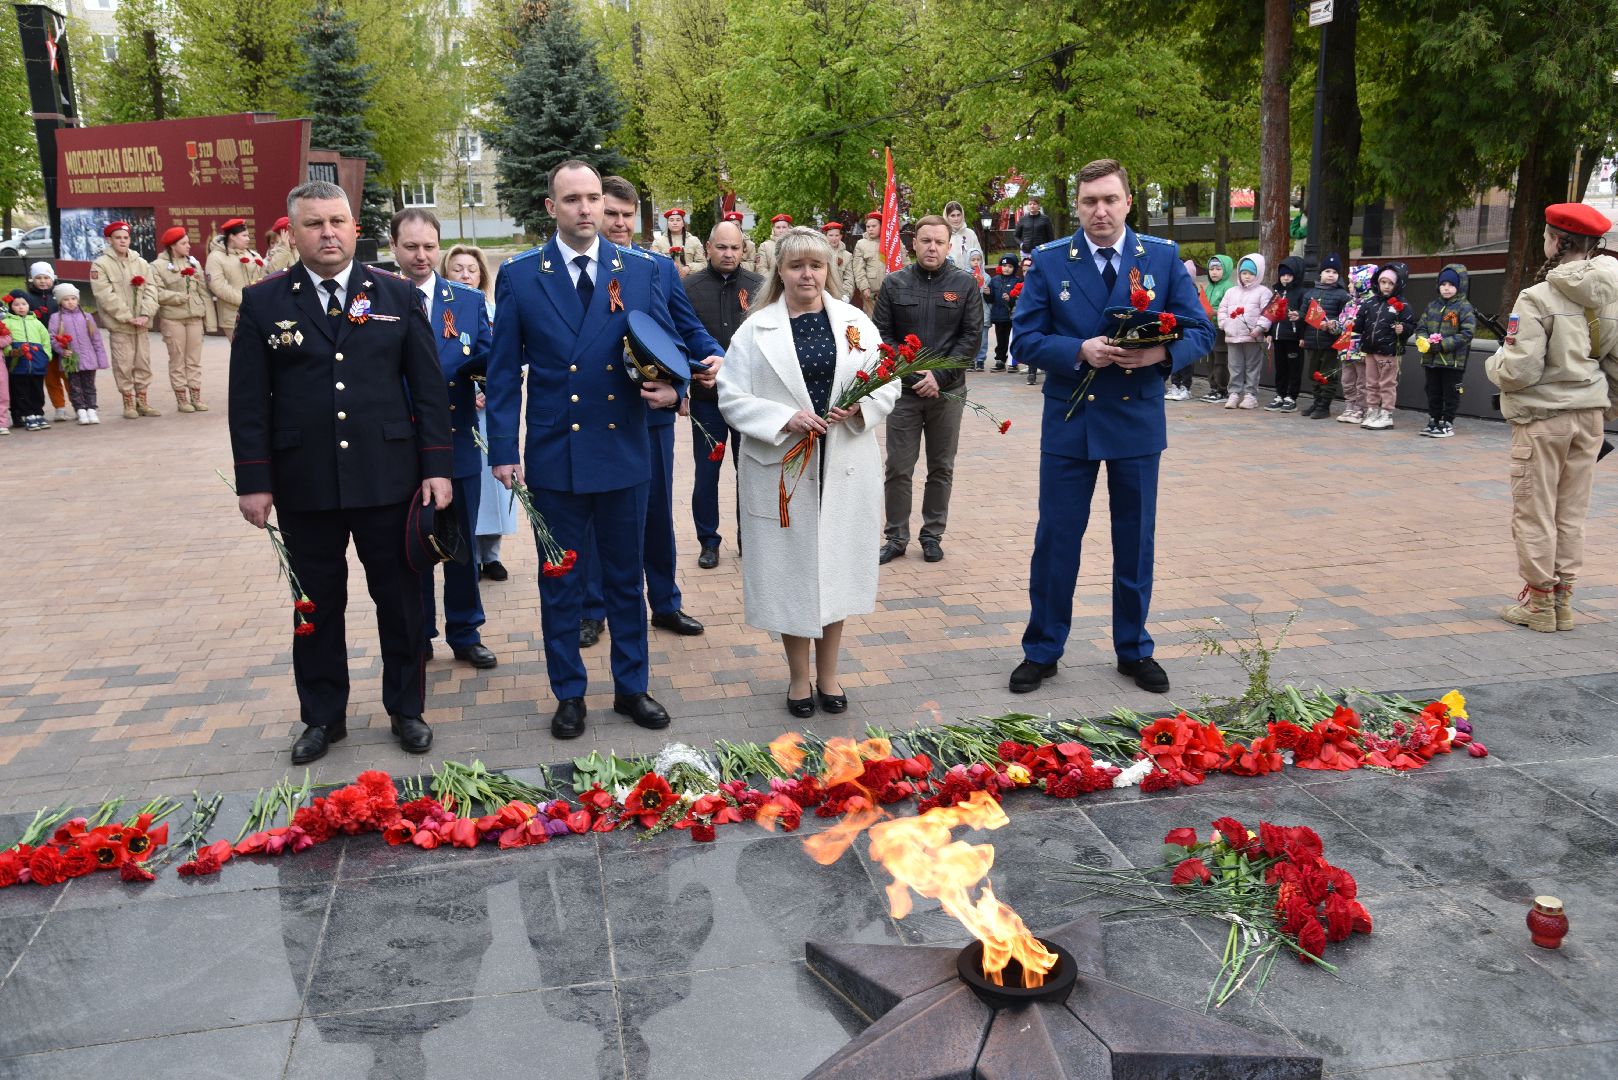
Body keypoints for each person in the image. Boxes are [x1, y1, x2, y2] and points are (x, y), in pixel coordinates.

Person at [228, 180, 454, 765]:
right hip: (306, 483)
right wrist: (254, 480)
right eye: (314, 224)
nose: (328, 233)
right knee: (315, 605)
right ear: (293, 232)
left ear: (356, 227)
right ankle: (323, 717)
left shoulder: (397, 295)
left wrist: (438, 467)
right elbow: (248, 400)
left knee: (400, 601)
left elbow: (429, 390)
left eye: (337, 221)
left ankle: (406, 708)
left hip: (389, 478)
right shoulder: (265, 302)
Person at [484, 160, 683, 740]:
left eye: (593, 197)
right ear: (552, 207)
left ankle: (631, 688)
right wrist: (502, 449)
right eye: (572, 199)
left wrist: (677, 388)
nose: (586, 209)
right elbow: (502, 375)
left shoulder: (641, 270)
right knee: (560, 579)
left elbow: (672, 344)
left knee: (626, 577)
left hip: (624, 446)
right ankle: (568, 693)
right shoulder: (521, 275)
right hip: (554, 453)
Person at [1007, 158, 1213, 697]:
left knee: (1134, 539)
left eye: (1109, 200)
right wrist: (1078, 348)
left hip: (1136, 421)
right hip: (1070, 423)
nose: (1100, 210)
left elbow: (1200, 331)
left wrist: (1162, 356)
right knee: (1056, 540)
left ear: (1127, 203)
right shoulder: (1051, 262)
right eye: (1089, 201)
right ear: (1076, 206)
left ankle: (1134, 649)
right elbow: (1022, 339)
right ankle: (1043, 649)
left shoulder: (1162, 259)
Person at [717, 226, 899, 716]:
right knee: (791, 573)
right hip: (783, 465)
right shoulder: (755, 329)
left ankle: (830, 676)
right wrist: (784, 418)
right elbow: (731, 396)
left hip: (842, 464)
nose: (807, 274)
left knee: (835, 571)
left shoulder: (854, 323)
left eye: (816, 265)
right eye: (796, 265)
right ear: (780, 270)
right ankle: (799, 679)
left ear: (829, 270)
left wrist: (859, 409)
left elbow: (887, 381)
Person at [574, 175, 718, 649]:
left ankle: (665, 603)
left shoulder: (655, 267)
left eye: (625, 214)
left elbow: (685, 326)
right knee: (597, 516)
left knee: (656, 512)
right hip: (593, 415)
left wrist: (715, 356)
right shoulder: (575, 269)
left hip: (650, 413)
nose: (617, 222)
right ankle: (593, 610)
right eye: (609, 212)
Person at [1486, 202, 1618, 634]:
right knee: (1572, 511)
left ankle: (1539, 603)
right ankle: (1563, 600)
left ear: (1558, 242)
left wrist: (1495, 364)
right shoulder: (1612, 294)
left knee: (1535, 510)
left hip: (1544, 419)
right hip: (1590, 418)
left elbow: (1518, 371)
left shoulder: (1538, 296)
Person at [391, 209, 499, 671]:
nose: (421, 256)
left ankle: (465, 630)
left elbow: (494, 358)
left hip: (456, 440)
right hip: (397, 444)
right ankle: (418, 634)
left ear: (440, 246)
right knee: (410, 546)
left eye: (429, 246)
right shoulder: (376, 299)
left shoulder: (467, 301)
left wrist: (489, 382)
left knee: (459, 543)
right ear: (394, 246)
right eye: (411, 246)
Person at [874, 213, 983, 564]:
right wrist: (912, 376)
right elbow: (882, 336)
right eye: (925, 241)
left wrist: (940, 377)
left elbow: (970, 338)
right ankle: (896, 536)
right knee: (898, 467)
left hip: (947, 393)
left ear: (949, 246)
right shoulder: (894, 284)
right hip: (904, 392)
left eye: (939, 241)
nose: (932, 247)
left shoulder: (965, 285)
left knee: (941, 466)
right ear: (914, 243)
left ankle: (932, 534)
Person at [683, 219, 763, 569]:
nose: (728, 253)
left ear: (744, 250)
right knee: (707, 472)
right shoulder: (689, 288)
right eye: (722, 247)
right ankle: (709, 541)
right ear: (708, 248)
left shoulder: (760, 287)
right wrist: (690, 375)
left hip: (749, 400)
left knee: (749, 470)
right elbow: (680, 338)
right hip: (707, 400)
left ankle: (751, 537)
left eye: (735, 248)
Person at [442, 244, 518, 577]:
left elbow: (508, 360)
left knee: (493, 487)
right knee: (468, 487)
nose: (465, 275)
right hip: (458, 412)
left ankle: (492, 553)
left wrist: (491, 390)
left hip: (490, 414)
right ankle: (468, 553)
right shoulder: (442, 310)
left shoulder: (493, 310)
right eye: (457, 269)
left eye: (471, 269)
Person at [90, 220, 161, 420]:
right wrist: (128, 317)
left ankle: (143, 401)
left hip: (142, 323)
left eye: (125, 238)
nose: (122, 241)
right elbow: (104, 295)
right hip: (121, 325)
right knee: (124, 363)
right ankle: (128, 402)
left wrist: (146, 314)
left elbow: (151, 289)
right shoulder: (100, 265)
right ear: (109, 240)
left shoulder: (141, 262)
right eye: (118, 238)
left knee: (143, 362)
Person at [151, 225, 215, 413]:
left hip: (194, 317)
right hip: (173, 318)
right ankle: (182, 399)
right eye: (184, 243)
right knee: (177, 359)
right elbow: (157, 292)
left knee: (194, 360)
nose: (188, 246)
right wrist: (178, 297)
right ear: (172, 245)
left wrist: (209, 319)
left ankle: (196, 397)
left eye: (188, 242)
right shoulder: (158, 266)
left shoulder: (193, 264)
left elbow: (203, 291)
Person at [1415, 263, 1475, 438]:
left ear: (1459, 286)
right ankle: (1433, 419)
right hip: (1431, 360)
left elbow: (1467, 333)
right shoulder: (1432, 306)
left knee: (1450, 392)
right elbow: (1421, 326)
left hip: (1453, 361)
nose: (1446, 289)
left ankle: (1447, 422)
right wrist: (1424, 340)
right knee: (1433, 390)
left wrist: (1443, 344)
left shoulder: (1464, 307)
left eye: (1451, 285)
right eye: (1443, 285)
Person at [1354, 261, 1413, 430]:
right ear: (1377, 282)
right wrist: (1355, 323)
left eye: (1390, 283)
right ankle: (1372, 410)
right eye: (1383, 282)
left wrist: (1403, 329)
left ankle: (1386, 413)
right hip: (1370, 350)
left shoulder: (1403, 306)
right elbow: (1360, 324)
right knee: (1370, 382)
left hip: (1388, 351)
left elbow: (1410, 326)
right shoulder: (1370, 302)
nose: (1386, 286)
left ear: (1398, 284)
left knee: (1387, 382)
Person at [1297, 253, 1351, 419]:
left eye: (1334, 272)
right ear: (1320, 273)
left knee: (1328, 374)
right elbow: (1304, 316)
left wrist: (1332, 324)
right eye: (1327, 271)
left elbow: (1346, 317)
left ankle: (1324, 405)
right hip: (1313, 340)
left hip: (1331, 343)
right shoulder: (1310, 293)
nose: (1330, 275)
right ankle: (1317, 400)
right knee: (1313, 373)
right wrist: (1300, 331)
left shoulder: (1343, 295)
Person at [1216, 253, 1272, 410]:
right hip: (1233, 336)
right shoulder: (1231, 292)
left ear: (1258, 274)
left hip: (1252, 337)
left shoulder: (1263, 292)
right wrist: (1224, 323)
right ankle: (1234, 393)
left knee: (1252, 366)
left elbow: (1267, 312)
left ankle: (1250, 395)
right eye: (1244, 273)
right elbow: (1223, 309)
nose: (1247, 277)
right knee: (1234, 366)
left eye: (1251, 274)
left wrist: (1260, 328)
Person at [48, 284, 108, 425]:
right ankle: (80, 411)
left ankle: (92, 410)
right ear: (60, 301)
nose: (70, 302)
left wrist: (101, 359)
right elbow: (52, 337)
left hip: (89, 359)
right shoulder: (56, 318)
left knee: (89, 386)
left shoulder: (87, 317)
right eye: (66, 299)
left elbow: (96, 338)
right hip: (71, 360)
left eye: (73, 298)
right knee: (74, 387)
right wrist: (62, 350)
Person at [206, 217, 265, 342]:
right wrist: (246, 300)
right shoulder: (216, 257)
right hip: (233, 315)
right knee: (243, 355)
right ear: (232, 236)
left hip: (257, 313)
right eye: (244, 235)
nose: (248, 239)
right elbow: (219, 287)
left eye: (248, 235)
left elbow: (265, 279)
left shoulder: (253, 255)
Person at [24, 263, 68, 422]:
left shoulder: (59, 296)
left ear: (53, 278)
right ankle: (59, 407)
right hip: (42, 346)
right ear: (32, 279)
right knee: (51, 379)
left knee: (69, 376)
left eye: (46, 277)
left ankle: (79, 404)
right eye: (38, 278)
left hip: (61, 343)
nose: (43, 281)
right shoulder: (28, 298)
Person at [3, 291, 52, 431]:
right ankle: (27, 415)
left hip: (37, 363)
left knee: (37, 390)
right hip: (18, 364)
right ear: (10, 306)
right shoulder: (7, 322)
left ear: (29, 305)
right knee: (22, 391)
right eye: (16, 304)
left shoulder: (37, 323)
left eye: (24, 304)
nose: (21, 307)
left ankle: (38, 413)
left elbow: (45, 340)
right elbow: (6, 341)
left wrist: (46, 355)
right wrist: (10, 352)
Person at [1264, 256, 1307, 411]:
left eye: (1289, 275)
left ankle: (1291, 396)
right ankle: (1280, 394)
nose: (1285, 278)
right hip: (1278, 336)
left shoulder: (1302, 293)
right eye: (1283, 275)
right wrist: (1268, 332)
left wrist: (1302, 335)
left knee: (1294, 368)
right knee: (1280, 368)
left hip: (1293, 337)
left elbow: (1305, 316)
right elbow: (1271, 314)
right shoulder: (1277, 292)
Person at [1166, 258, 1206, 401]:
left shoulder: (1191, 289)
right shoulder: (1174, 288)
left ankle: (1185, 387)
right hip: (1175, 327)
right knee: (1174, 356)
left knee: (1186, 358)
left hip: (1187, 328)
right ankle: (1175, 385)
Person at [1198, 254, 1234, 402]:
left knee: (1220, 359)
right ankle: (1213, 387)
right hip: (1208, 328)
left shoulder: (1229, 288)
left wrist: (1216, 312)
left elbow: (1232, 310)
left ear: (1225, 270)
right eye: (1211, 269)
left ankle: (1222, 389)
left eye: (1218, 269)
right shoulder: (1208, 288)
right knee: (1210, 359)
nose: (1214, 272)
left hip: (1221, 329)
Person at [987, 254, 1020, 373]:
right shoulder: (994, 279)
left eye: (1010, 266)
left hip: (1011, 317)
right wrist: (987, 293)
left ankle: (1013, 362)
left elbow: (1019, 298)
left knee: (1012, 340)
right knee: (1001, 340)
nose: (1006, 268)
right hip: (998, 316)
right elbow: (990, 299)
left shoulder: (1017, 280)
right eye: (1004, 265)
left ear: (1015, 268)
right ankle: (1000, 361)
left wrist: (1010, 299)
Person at [651, 208, 706, 276]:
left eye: (678, 220)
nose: (675, 223)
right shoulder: (658, 242)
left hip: (690, 280)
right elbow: (653, 263)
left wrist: (688, 268)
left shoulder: (694, 241)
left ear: (683, 223)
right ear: (667, 223)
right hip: (667, 279)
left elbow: (703, 264)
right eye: (671, 220)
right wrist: (668, 265)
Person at [851, 210, 886, 314]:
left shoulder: (892, 242)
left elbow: (904, 262)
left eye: (874, 226)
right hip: (871, 294)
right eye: (868, 226)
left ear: (881, 226)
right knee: (872, 322)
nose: (870, 229)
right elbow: (858, 268)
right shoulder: (861, 244)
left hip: (891, 291)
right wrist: (864, 287)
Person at [943, 201, 982, 272]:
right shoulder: (942, 234)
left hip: (970, 276)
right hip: (949, 276)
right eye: (953, 215)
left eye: (958, 215)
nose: (956, 219)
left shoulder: (970, 233)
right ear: (947, 217)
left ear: (962, 215)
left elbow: (979, 255)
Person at [969, 250, 990, 370]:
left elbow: (991, 298)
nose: (976, 262)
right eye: (973, 260)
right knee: (970, 336)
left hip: (983, 310)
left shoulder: (986, 277)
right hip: (970, 312)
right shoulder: (964, 275)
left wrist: (988, 293)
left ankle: (981, 359)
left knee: (983, 337)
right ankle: (970, 359)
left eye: (978, 259)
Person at [823, 221, 854, 302]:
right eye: (830, 235)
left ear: (841, 236)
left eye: (837, 235)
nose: (834, 238)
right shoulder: (819, 253)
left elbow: (849, 277)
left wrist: (847, 294)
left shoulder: (847, 256)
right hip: (823, 296)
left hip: (840, 297)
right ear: (825, 236)